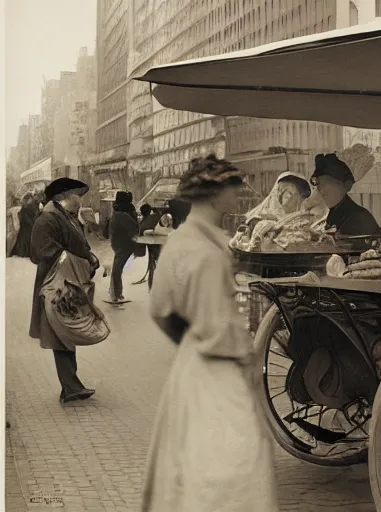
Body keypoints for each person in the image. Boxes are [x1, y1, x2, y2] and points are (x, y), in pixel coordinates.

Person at [141, 154, 279, 512]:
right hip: (218, 368)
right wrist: (248, 361)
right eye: (233, 191)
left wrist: (187, 340)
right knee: (235, 461)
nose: (237, 198)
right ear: (215, 197)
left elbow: (159, 309)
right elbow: (219, 330)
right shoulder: (210, 253)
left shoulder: (177, 242)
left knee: (185, 460)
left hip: (189, 368)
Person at [29, 178, 100, 404]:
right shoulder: (48, 218)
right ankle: (70, 387)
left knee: (66, 331)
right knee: (61, 332)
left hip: (68, 281)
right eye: (77, 195)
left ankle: (70, 386)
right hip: (56, 283)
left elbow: (79, 243)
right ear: (63, 197)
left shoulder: (65, 215)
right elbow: (41, 251)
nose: (80, 200)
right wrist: (82, 261)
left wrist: (88, 257)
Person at [311, 153, 380, 235]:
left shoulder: (358, 218)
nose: (322, 190)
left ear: (347, 185)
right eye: (319, 184)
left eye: (328, 183)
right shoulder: (330, 214)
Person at [109, 191, 139, 302]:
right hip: (123, 244)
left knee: (116, 269)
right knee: (117, 269)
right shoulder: (127, 211)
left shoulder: (120, 214)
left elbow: (133, 230)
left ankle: (116, 294)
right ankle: (115, 293)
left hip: (123, 245)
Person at [10, 193, 39, 258]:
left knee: (25, 239)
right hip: (26, 225)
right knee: (24, 239)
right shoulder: (27, 206)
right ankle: (24, 253)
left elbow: (32, 214)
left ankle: (25, 253)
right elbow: (23, 214)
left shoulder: (31, 205)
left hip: (27, 226)